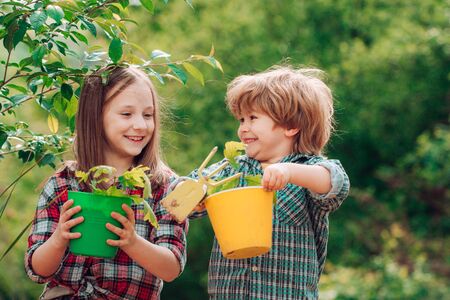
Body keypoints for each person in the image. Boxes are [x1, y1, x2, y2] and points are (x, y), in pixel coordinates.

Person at [25, 66, 188, 299]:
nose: (141, 125)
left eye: (148, 115)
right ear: (96, 116)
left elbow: (171, 268)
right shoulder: (63, 185)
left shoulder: (164, 187)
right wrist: (59, 238)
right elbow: (37, 270)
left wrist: (131, 241)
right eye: (126, 114)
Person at [190, 66, 350, 299]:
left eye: (253, 118)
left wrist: (287, 171)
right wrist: (192, 197)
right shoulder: (235, 167)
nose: (243, 128)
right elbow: (192, 188)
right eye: (241, 119)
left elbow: (336, 183)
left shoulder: (308, 169)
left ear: (290, 125)